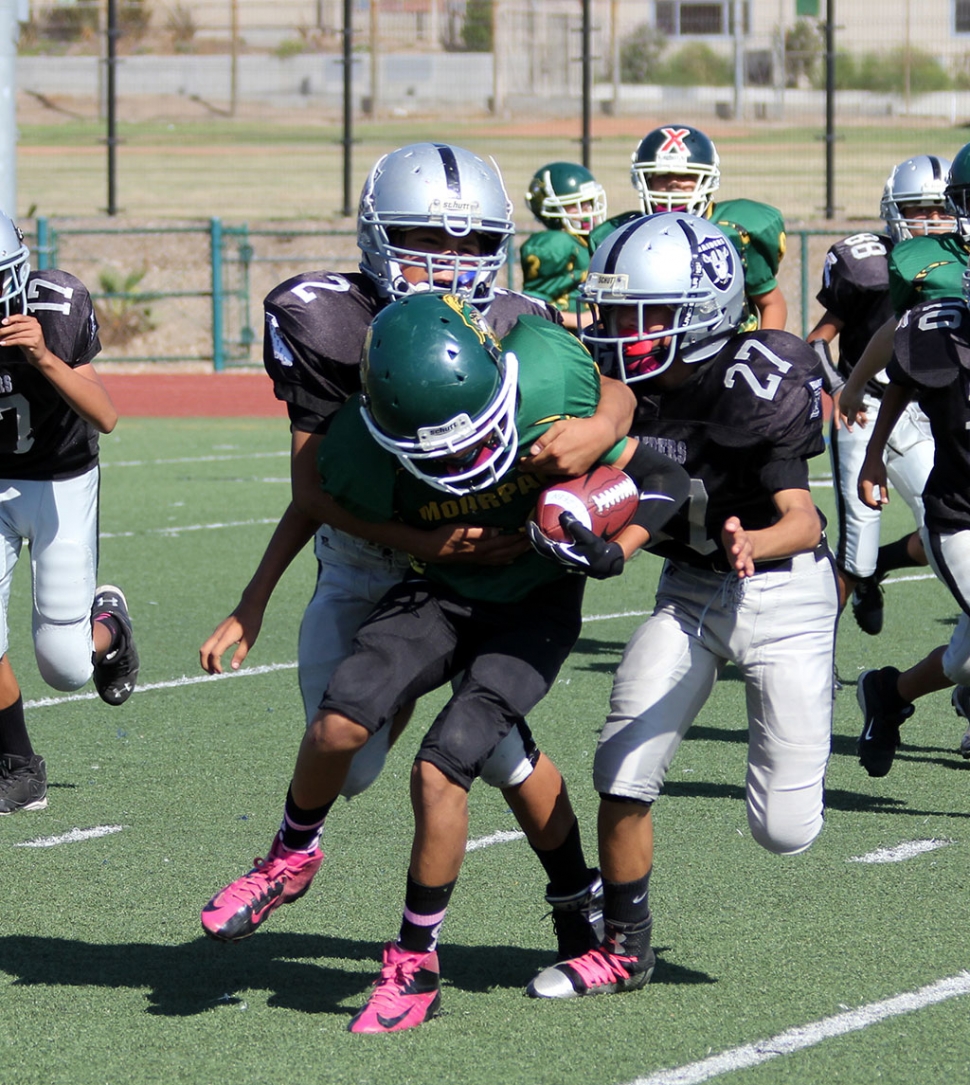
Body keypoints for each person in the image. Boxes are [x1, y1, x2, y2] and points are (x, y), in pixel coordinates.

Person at [200, 293, 690, 1033]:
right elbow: (319, 500)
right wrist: (420, 542)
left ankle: (415, 961)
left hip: (532, 609)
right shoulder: (359, 449)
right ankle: (290, 855)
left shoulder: (551, 382)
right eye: (441, 453)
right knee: (337, 722)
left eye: (474, 440)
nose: (465, 463)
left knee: (442, 764)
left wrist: (610, 541)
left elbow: (664, 476)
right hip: (439, 590)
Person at [201, 141, 635, 800]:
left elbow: (616, 391)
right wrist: (255, 599)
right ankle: (447, 702)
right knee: (349, 770)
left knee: (474, 750)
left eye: (469, 243)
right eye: (424, 237)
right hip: (368, 551)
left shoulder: (517, 321)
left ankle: (512, 772)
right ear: (378, 237)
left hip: (480, 564)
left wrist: (602, 427)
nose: (446, 261)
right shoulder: (332, 322)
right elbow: (312, 487)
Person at [525, 212, 838, 1001]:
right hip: (692, 592)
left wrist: (752, 543)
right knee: (620, 767)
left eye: (647, 314)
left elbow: (804, 519)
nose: (623, 331)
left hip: (785, 590)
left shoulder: (756, 377)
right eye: (618, 312)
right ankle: (625, 949)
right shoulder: (613, 383)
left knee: (784, 829)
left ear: (703, 309)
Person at [0, 212, 139, 815]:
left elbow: (106, 415)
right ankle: (18, 765)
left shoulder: (55, 307)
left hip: (60, 484)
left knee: (65, 668)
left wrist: (43, 359)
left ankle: (109, 628)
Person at [807, 154, 951, 637]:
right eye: (918, 210)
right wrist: (838, 390)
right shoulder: (869, 266)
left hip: (922, 413)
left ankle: (879, 570)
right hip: (863, 410)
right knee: (854, 554)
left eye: (939, 208)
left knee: (948, 521)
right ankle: (814, 647)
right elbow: (817, 340)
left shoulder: (958, 267)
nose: (931, 221)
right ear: (894, 211)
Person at [854, 279, 970, 776]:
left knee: (964, 665)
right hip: (962, 515)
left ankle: (887, 694)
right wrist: (874, 453)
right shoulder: (943, 329)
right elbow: (902, 377)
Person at [588, 124, 788, 330]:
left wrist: (761, 354)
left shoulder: (736, 230)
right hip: (647, 347)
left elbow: (771, 302)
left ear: (708, 180)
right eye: (662, 176)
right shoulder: (620, 236)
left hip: (728, 349)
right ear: (645, 180)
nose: (674, 183)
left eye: (687, 176)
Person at [519, 161, 607, 330]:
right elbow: (531, 308)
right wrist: (580, 319)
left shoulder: (589, 240)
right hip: (558, 336)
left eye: (589, 202)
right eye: (576, 205)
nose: (588, 211)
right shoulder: (557, 245)